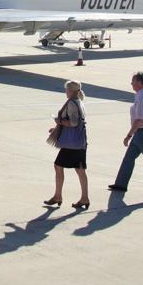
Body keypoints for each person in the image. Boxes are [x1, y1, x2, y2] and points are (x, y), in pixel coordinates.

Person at [44, 80, 90, 210]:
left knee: (58, 166)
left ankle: (58, 195)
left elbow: (73, 123)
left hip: (72, 144)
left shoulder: (71, 103)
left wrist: (59, 121)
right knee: (80, 170)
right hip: (80, 142)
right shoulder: (79, 102)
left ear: (70, 91)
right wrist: (56, 128)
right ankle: (84, 197)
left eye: (67, 89)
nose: (66, 91)